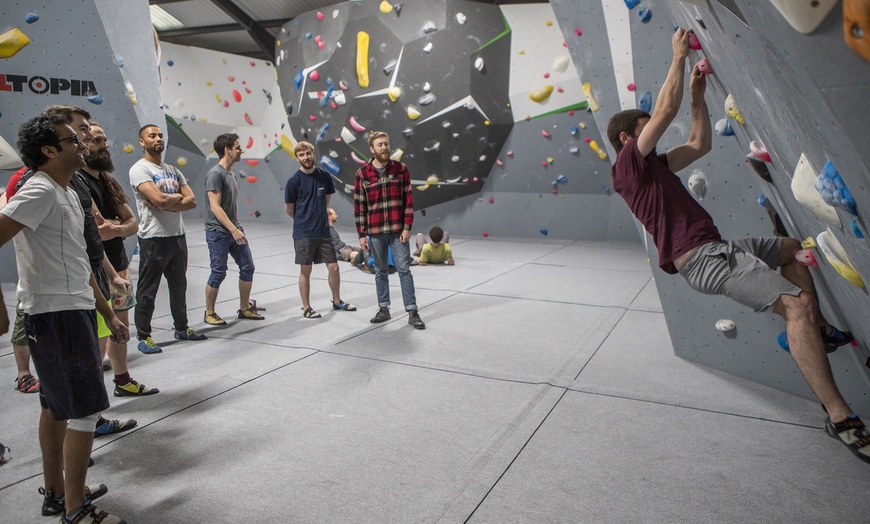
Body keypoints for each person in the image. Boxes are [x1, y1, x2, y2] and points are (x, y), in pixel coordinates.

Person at [607, 28, 866, 464]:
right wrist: (678, 59)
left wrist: (696, 95)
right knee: (796, 306)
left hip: (717, 247)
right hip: (704, 261)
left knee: (787, 249)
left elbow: (698, 144)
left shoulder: (656, 168)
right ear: (628, 140)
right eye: (644, 129)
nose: (651, 132)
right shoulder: (629, 167)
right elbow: (663, 111)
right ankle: (840, 417)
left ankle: (819, 331)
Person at [0, 112, 128, 523]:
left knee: (56, 406)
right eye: (72, 140)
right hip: (54, 314)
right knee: (85, 411)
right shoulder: (37, 190)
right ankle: (76, 509)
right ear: (49, 150)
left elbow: (79, 262)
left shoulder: (68, 193)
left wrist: (109, 311)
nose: (82, 144)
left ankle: (57, 492)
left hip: (75, 309)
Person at [81, 120, 160, 402]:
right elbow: (91, 234)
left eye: (104, 140)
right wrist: (116, 228)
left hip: (119, 266)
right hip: (97, 273)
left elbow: (132, 224)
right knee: (98, 335)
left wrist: (114, 228)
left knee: (120, 329)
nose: (104, 145)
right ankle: (90, 402)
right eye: (96, 140)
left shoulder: (107, 181)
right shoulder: (79, 183)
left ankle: (123, 380)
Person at [130, 124, 206, 353]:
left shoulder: (173, 170)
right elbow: (160, 200)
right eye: (152, 136)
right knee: (148, 289)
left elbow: (191, 201)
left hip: (177, 236)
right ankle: (144, 336)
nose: (158, 139)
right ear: (142, 142)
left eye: (160, 135)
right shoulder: (139, 169)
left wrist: (166, 201)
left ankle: (182, 328)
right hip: (154, 238)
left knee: (179, 285)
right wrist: (172, 200)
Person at [353, 132, 425, 329]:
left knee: (404, 270)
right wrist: (361, 234)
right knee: (380, 271)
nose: (384, 148)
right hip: (375, 231)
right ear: (372, 149)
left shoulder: (401, 169)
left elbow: (408, 200)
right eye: (380, 145)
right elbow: (360, 207)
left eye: (386, 144)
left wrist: (407, 226)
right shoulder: (362, 174)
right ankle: (384, 309)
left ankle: (412, 311)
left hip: (397, 230)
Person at [284, 141, 356, 318]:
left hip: (324, 231)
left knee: (334, 267)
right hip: (304, 234)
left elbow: (326, 202)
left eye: (308, 153)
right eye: (301, 155)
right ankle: (307, 307)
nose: (306, 157)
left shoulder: (324, 177)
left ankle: (337, 301)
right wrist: (304, 220)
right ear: (297, 157)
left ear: (313, 154)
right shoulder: (293, 181)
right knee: (306, 270)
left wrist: (319, 217)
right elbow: (289, 209)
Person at [203, 133, 264, 325]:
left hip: (234, 228)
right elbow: (215, 207)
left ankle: (245, 308)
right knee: (218, 271)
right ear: (227, 150)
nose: (241, 150)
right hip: (218, 232)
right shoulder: (215, 174)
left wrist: (236, 229)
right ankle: (209, 313)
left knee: (248, 267)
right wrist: (233, 230)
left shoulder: (230, 173)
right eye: (237, 147)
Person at [1, 167, 40, 394]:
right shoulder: (21, 179)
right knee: (23, 320)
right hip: (30, 270)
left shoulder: (72, 179)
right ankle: (23, 374)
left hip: (67, 273)